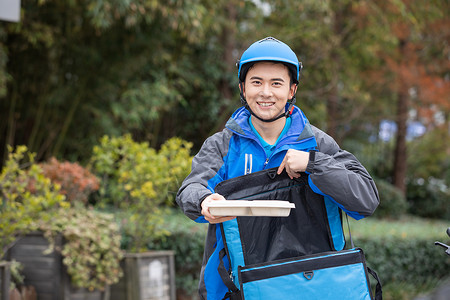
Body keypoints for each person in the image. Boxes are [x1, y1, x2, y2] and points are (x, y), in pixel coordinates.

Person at [176, 37, 379, 300]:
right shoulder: (222, 145)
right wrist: (203, 200)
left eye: (276, 83)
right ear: (242, 87)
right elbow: (189, 190)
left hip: (313, 288)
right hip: (237, 289)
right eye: (256, 82)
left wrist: (312, 163)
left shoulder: (318, 143)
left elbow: (366, 199)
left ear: (292, 90)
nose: (266, 92)